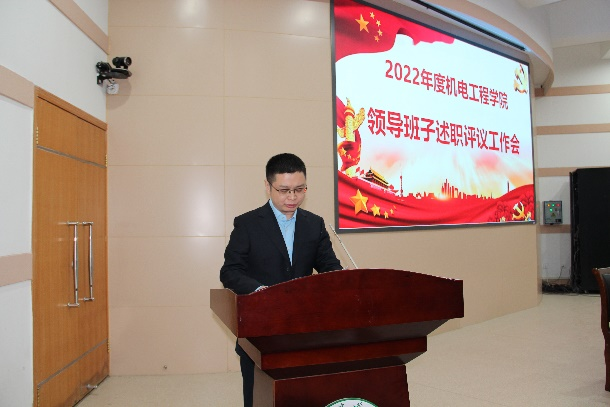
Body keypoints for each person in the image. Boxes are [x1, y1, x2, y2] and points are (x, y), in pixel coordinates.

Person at [219, 153, 343, 407]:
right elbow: (230, 272)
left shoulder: (314, 224)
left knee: (303, 396)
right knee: (259, 398)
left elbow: (329, 267)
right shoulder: (247, 224)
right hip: (260, 328)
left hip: (304, 329)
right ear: (268, 186)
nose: (292, 197)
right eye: (284, 190)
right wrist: (260, 291)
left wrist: (343, 280)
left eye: (300, 189)